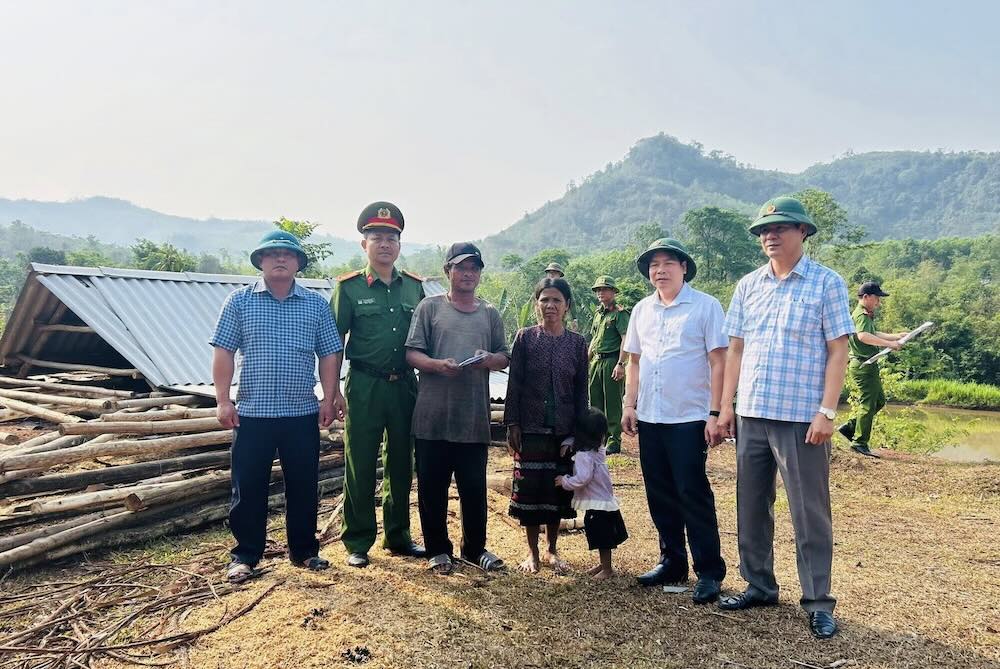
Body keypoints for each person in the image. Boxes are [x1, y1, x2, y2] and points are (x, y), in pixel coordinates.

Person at [717, 196, 854, 640]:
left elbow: (839, 350)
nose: (769, 236)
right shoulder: (748, 286)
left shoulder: (825, 283)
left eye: (779, 228)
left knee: (809, 512)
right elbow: (735, 350)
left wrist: (827, 411)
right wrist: (725, 408)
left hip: (801, 419)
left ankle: (818, 601)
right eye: (763, 231)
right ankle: (758, 585)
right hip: (752, 414)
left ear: (803, 232)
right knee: (751, 506)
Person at [210, 229, 346, 583]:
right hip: (252, 414)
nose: (280, 259)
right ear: (261, 261)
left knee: (303, 485)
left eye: (288, 254)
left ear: (299, 263)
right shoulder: (239, 302)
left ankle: (304, 551)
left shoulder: (315, 305)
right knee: (248, 487)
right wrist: (223, 400)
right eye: (272, 254)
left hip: (300, 412)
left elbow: (330, 353)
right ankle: (245, 556)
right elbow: (223, 351)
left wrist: (329, 397)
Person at [621, 238, 728, 604]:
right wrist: (629, 404)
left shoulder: (705, 307)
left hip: (689, 417)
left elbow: (719, 361)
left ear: (684, 267)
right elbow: (634, 361)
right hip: (650, 415)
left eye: (668, 263)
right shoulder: (641, 310)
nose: (660, 270)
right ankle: (672, 562)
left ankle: (709, 571)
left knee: (692, 492)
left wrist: (716, 413)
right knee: (660, 493)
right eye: (654, 265)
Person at [405, 242, 510, 575]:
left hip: (473, 415)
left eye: (474, 268)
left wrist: (489, 360)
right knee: (432, 488)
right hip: (433, 414)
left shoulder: (489, 313)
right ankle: (438, 549)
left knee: (473, 487)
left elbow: (504, 356)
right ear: (448, 271)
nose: (468, 273)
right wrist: (436, 365)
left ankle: (475, 547)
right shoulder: (430, 308)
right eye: (461, 267)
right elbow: (411, 354)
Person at [332, 201, 426, 568]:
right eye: (376, 237)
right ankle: (357, 539)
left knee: (402, 460)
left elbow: (425, 339)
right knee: (359, 459)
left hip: (404, 385)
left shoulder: (414, 289)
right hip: (364, 383)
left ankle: (398, 535)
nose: (384, 243)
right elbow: (332, 344)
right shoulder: (349, 288)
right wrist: (332, 391)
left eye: (391, 237)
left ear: (399, 245)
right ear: (364, 244)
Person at [504, 277, 589, 574]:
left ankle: (552, 550)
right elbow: (514, 384)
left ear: (566, 306)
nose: (550, 306)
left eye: (556, 300)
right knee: (530, 492)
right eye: (544, 300)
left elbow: (581, 392)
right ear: (536, 303)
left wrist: (578, 433)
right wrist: (512, 422)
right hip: (529, 427)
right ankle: (532, 553)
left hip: (563, 430)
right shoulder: (525, 338)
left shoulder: (577, 344)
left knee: (556, 494)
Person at [555, 408, 628, 580]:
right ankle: (604, 564)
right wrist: (570, 442)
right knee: (602, 535)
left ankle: (607, 569)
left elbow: (583, 478)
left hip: (597, 502)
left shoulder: (583, 455)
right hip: (603, 499)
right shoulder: (598, 449)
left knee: (602, 537)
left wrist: (564, 481)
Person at [838, 281, 907, 458]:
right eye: (877, 298)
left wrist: (895, 336)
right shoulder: (861, 315)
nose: (879, 302)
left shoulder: (865, 315)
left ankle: (850, 427)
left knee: (879, 401)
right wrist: (889, 344)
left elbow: (873, 333)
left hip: (868, 364)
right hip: (863, 365)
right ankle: (859, 442)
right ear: (866, 297)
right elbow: (863, 336)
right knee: (868, 404)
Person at [588, 276, 629, 454]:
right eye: (598, 290)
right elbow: (594, 340)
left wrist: (620, 363)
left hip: (612, 360)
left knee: (612, 402)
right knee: (595, 402)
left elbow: (625, 339)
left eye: (604, 289)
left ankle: (614, 441)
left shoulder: (620, 313)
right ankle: (598, 439)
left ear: (613, 292)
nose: (600, 293)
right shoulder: (598, 314)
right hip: (596, 361)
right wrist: (585, 361)